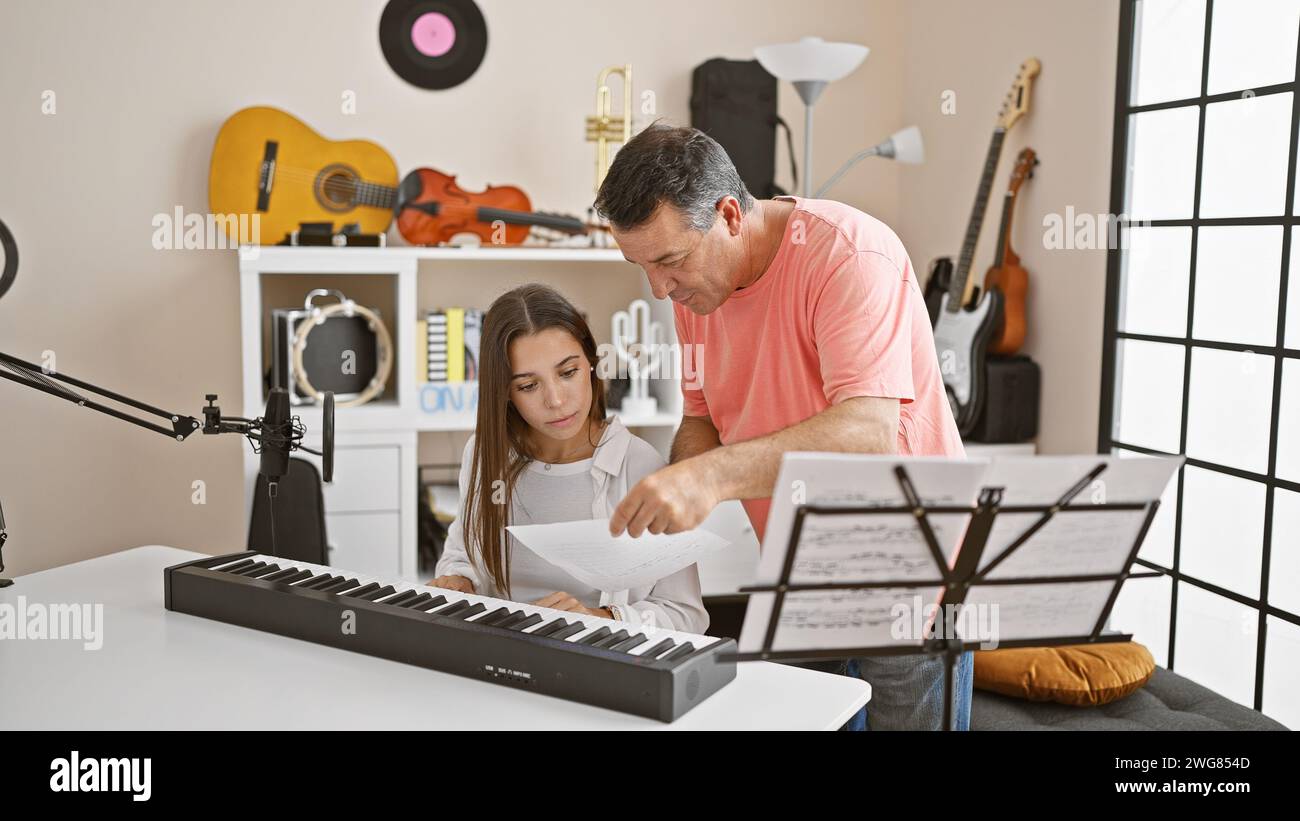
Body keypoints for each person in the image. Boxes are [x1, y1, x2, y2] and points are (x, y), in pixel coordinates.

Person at [593, 123, 970, 730]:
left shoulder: (848, 253)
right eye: (642, 268)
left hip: (909, 571)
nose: (660, 290)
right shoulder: (698, 295)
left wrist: (712, 479)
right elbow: (701, 420)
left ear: (729, 215)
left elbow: (868, 429)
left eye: (669, 262)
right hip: (801, 569)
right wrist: (672, 493)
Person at [429, 282, 708, 634]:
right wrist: (457, 580)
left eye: (568, 372)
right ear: (505, 393)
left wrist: (602, 619)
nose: (556, 400)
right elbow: (463, 552)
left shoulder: (640, 466)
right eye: (528, 386)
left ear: (591, 364)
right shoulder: (485, 455)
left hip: (594, 665)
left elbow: (687, 615)